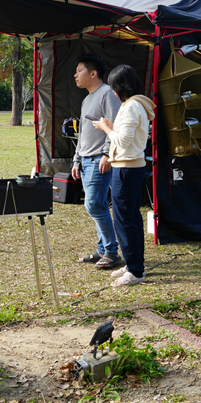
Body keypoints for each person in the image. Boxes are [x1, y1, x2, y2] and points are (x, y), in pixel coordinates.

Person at [92, 64, 156, 287]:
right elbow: (127, 137)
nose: (113, 92)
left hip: (126, 169)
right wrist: (111, 126)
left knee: (124, 220)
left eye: (114, 87)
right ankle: (133, 264)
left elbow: (122, 142)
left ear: (121, 87)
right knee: (131, 219)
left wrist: (104, 128)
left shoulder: (131, 107)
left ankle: (136, 271)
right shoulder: (136, 104)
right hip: (131, 167)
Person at [71, 54, 122, 270]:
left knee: (93, 205)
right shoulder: (86, 98)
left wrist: (106, 154)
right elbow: (82, 132)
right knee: (97, 205)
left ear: (93, 73)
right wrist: (76, 160)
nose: (75, 75)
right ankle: (102, 249)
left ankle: (111, 252)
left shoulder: (107, 93)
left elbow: (115, 125)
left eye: (79, 70)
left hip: (98, 160)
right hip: (85, 160)